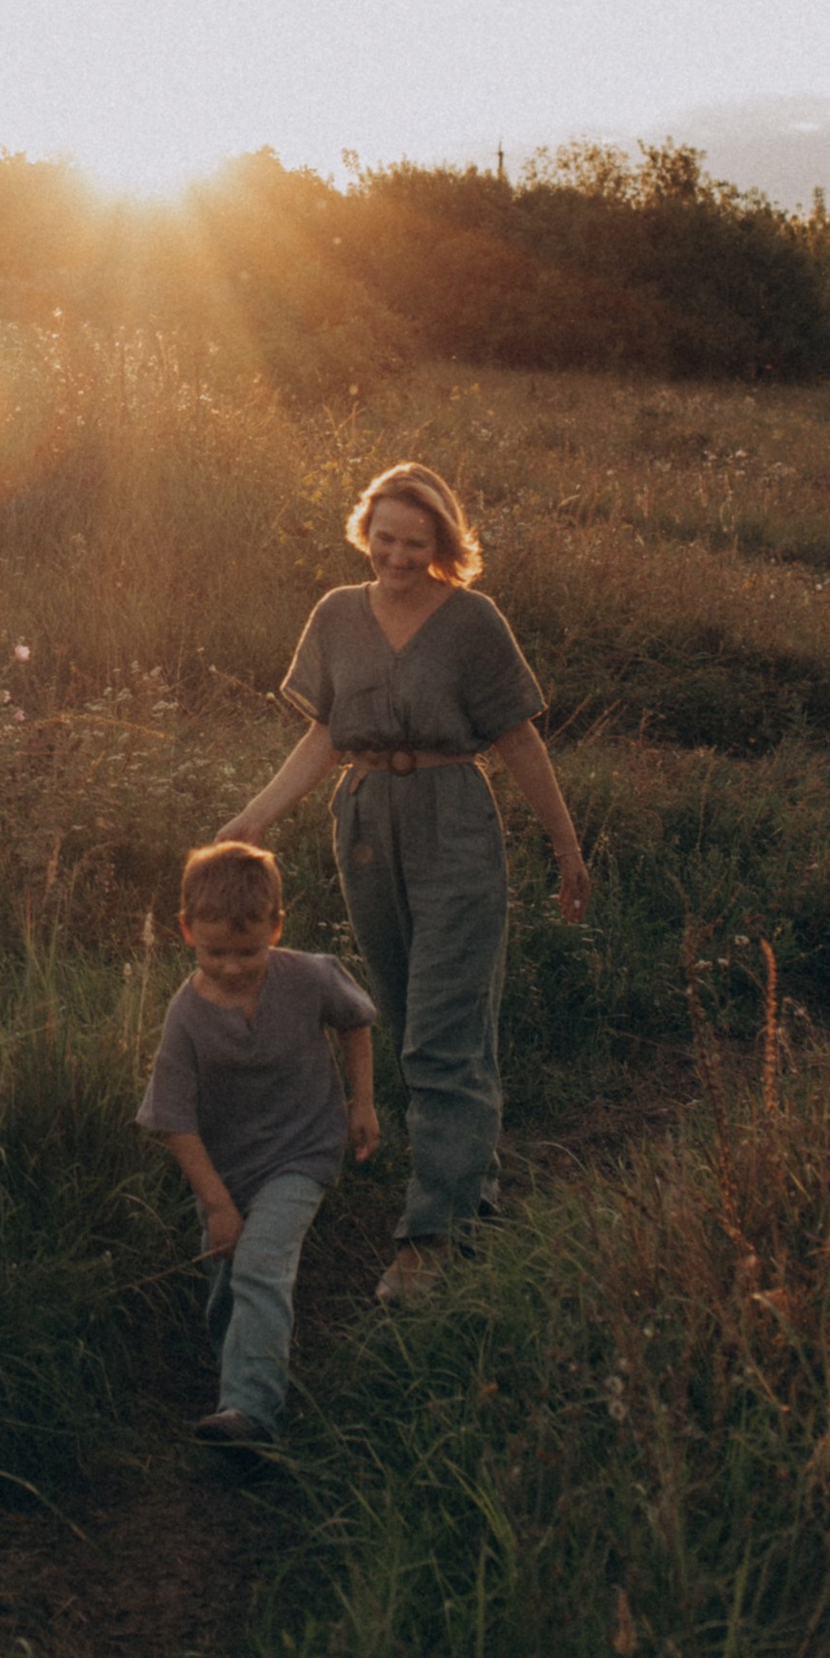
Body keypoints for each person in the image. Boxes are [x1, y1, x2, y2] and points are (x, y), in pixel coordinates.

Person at [221, 459, 588, 1305]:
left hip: (453, 815)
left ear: (443, 545)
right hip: (363, 823)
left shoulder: (472, 622)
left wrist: (568, 850)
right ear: (366, 532)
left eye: (415, 543)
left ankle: (430, 1236)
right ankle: (472, 1194)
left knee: (441, 1035)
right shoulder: (337, 615)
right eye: (384, 538)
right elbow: (325, 736)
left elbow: (520, 741)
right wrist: (254, 818)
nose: (395, 556)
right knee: (412, 1018)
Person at [136, 838, 378, 1448]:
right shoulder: (186, 1016)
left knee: (263, 1266)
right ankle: (230, 1383)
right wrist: (217, 1204)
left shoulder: (308, 976)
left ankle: (254, 1411)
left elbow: (355, 1020)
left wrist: (363, 1103)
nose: (233, 965)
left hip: (302, 1151)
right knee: (228, 1273)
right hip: (222, 1167)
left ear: (276, 927)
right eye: (216, 951)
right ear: (188, 931)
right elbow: (174, 1120)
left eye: (248, 951)